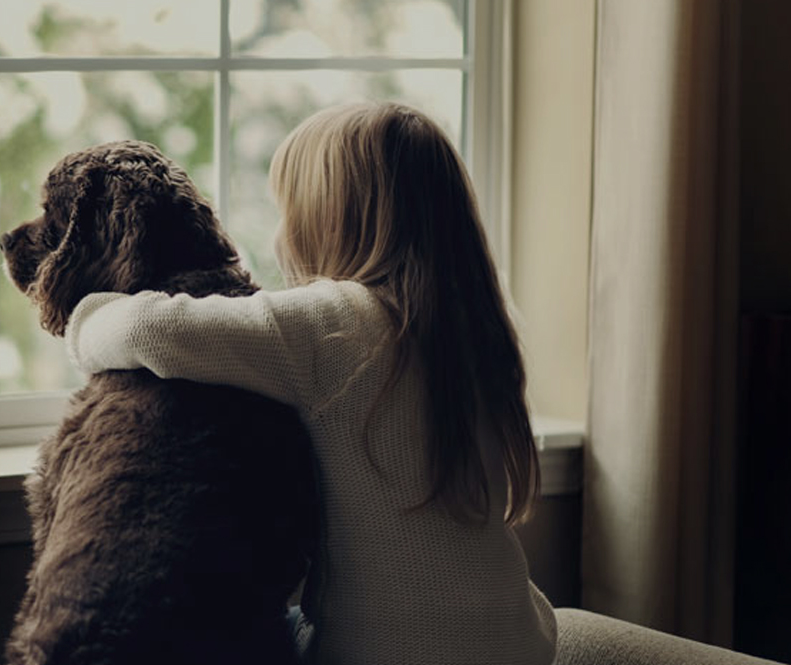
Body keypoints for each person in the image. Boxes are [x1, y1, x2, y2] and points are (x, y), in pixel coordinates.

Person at [64, 102, 557, 665]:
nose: (278, 235)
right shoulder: (481, 329)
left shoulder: (337, 324)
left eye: (286, 211)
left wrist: (82, 318)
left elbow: (153, 330)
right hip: (519, 639)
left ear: (329, 219)